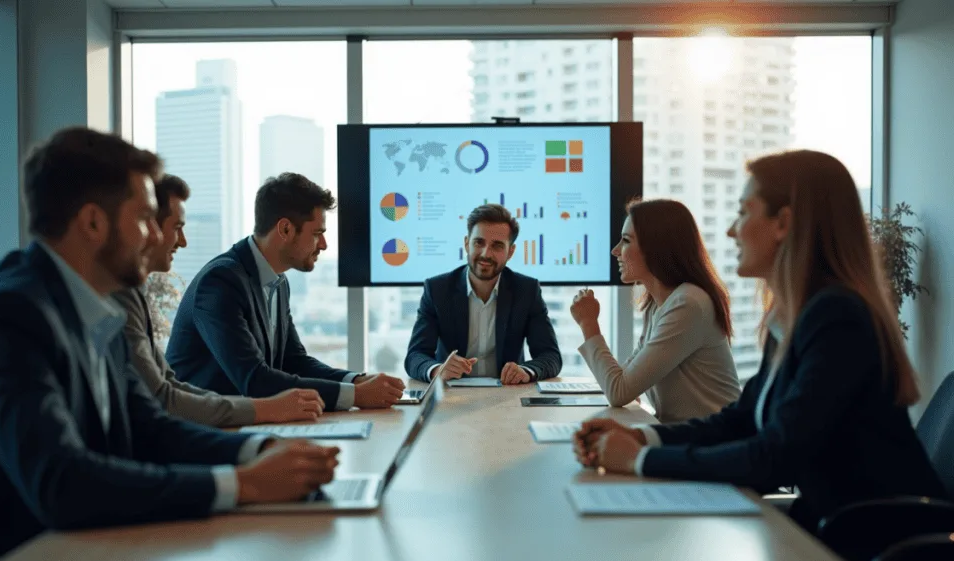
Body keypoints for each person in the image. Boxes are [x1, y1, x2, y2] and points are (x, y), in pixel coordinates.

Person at [0, 128, 340, 561]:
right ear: (92, 223)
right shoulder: (10, 315)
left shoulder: (89, 306)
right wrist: (243, 484)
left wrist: (260, 451)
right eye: (145, 218)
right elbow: (62, 483)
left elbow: (148, 426)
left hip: (75, 546)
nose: (156, 236)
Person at [573, 150, 946, 531]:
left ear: (783, 222)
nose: (732, 230)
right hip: (835, 528)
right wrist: (640, 436)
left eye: (743, 212)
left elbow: (774, 457)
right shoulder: (793, 316)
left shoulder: (837, 317)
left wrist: (639, 459)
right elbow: (741, 420)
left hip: (882, 542)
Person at [166, 172, 405, 410]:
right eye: (317, 233)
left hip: (249, 424)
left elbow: (294, 361)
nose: (323, 245)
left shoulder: (278, 282)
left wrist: (356, 380)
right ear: (286, 229)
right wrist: (356, 396)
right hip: (208, 431)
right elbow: (255, 380)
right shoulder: (220, 282)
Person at [112, 175, 325, 427]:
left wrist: (355, 384)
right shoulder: (220, 280)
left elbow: (168, 385)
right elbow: (166, 398)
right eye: (176, 228)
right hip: (197, 432)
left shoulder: (131, 294)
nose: (183, 241)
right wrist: (265, 412)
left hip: (208, 429)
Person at [569, 199, 740, 422]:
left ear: (656, 248)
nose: (615, 251)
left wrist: (588, 324)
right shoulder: (659, 304)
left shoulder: (688, 303)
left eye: (626, 241)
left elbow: (618, 391)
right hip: (685, 438)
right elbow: (624, 381)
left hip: (712, 445)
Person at [405, 204, 562, 384]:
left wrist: (526, 371)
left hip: (507, 396)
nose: (486, 254)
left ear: (510, 252)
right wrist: (437, 370)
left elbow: (550, 356)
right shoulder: (437, 289)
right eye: (479, 243)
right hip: (452, 397)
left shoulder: (526, 290)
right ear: (466, 243)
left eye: (497, 246)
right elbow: (415, 356)